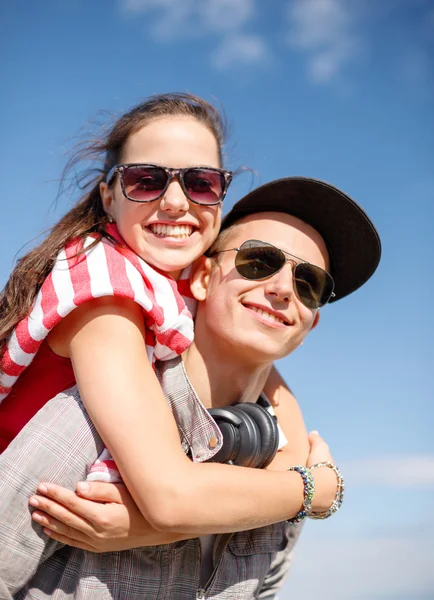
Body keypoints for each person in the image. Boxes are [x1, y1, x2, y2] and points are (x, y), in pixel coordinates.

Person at [0, 177, 381, 598]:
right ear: (202, 277)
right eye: (259, 261)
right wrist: (314, 489)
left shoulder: (284, 475)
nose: (282, 290)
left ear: (312, 322)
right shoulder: (91, 422)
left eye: (309, 283)